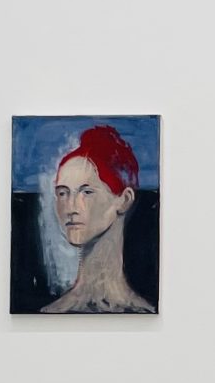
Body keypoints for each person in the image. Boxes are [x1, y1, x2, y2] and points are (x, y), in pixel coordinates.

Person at [43, 124, 153, 314]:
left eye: (86, 192)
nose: (71, 208)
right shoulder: (50, 313)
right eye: (62, 193)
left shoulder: (145, 312)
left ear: (124, 200)